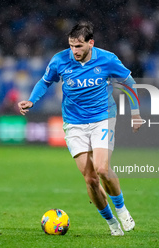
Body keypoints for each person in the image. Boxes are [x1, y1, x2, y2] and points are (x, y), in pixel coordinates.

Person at [18, 21, 142, 236]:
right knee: (90, 179)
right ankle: (112, 223)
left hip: (102, 118)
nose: (74, 51)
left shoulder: (107, 59)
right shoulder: (60, 60)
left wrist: (136, 112)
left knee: (102, 168)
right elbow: (45, 81)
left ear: (91, 43)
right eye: (71, 46)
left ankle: (121, 209)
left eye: (79, 46)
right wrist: (31, 100)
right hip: (74, 123)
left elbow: (129, 82)